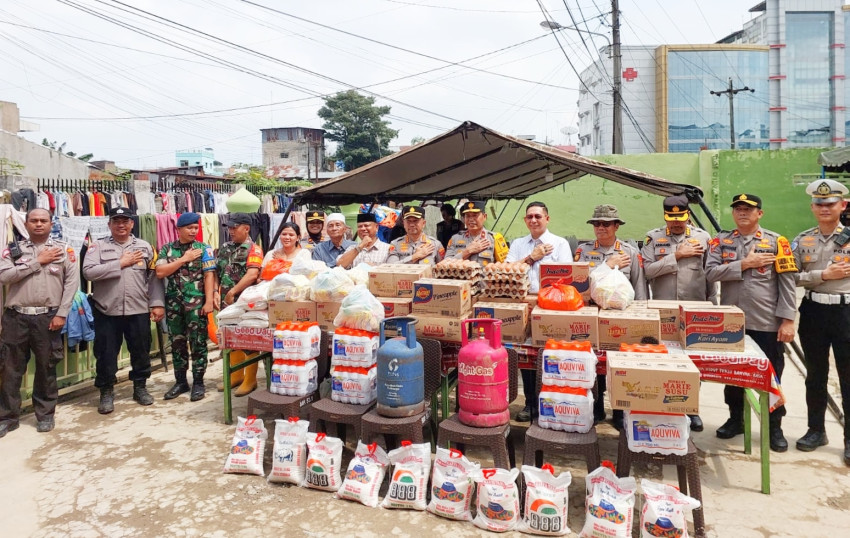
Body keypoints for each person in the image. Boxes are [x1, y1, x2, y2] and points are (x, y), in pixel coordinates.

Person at [706, 194, 796, 452]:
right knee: (732, 374)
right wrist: (744, 264)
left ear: (760, 213)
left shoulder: (777, 242)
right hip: (733, 322)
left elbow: (788, 283)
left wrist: (788, 320)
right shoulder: (721, 241)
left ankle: (774, 426)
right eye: (738, 209)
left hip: (766, 322)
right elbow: (710, 273)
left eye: (748, 209)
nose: (742, 213)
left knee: (772, 375)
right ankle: (736, 419)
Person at [0, 208, 79, 437]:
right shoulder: (13, 250)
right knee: (10, 368)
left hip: (47, 317)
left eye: (43, 220)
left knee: (46, 367)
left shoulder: (64, 250)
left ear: (51, 224)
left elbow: (71, 283)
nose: (38, 224)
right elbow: (4, 276)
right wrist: (37, 261)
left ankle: (45, 415)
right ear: (26, 223)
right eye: (33, 220)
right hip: (16, 316)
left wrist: (62, 314)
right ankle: (7, 417)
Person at [641, 194, 715, 432]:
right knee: (664, 361)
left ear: (688, 215)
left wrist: (713, 305)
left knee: (693, 363)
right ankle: (666, 407)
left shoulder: (703, 238)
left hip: (695, 308)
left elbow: (710, 275)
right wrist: (677, 255)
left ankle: (692, 409)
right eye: (671, 218)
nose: (676, 222)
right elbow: (648, 271)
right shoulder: (653, 238)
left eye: (680, 217)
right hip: (663, 311)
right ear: (665, 217)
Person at [83, 207, 165, 415]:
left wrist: (157, 303)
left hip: (138, 309)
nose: (121, 225)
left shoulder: (145, 247)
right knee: (106, 354)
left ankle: (140, 387)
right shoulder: (98, 246)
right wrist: (119, 263)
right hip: (107, 310)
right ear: (109, 224)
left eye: (125, 221)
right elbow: (88, 272)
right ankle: (106, 391)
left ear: (132, 224)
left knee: (141, 351)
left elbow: (154, 277)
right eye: (116, 221)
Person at [791, 179, 850, 465]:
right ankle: (816, 431)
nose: (824, 208)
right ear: (812, 207)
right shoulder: (803, 240)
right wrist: (823, 275)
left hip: (846, 313)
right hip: (813, 311)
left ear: (843, 205)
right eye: (819, 203)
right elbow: (790, 276)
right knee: (815, 375)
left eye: (830, 203)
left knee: (848, 377)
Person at [575, 204, 647, 431]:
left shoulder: (630, 252)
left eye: (606, 224)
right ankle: (596, 407)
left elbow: (639, 287)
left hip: (620, 319)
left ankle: (619, 410)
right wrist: (607, 266)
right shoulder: (583, 251)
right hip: (592, 316)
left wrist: (640, 317)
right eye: (596, 224)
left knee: (620, 366)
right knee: (592, 365)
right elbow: (579, 284)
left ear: (616, 226)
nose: (601, 228)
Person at [505, 201, 572, 423]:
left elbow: (568, 278)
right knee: (525, 357)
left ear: (547, 219)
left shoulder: (560, 244)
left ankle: (551, 405)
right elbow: (506, 272)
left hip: (552, 309)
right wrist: (531, 257)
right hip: (523, 307)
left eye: (538, 216)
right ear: (525, 220)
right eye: (529, 217)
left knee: (550, 357)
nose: (533, 220)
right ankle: (530, 403)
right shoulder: (518, 244)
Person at [155, 212, 216, 402]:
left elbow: (209, 275)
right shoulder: (167, 249)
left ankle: (198, 382)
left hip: (197, 304)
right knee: (177, 343)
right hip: (174, 305)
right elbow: (160, 272)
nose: (193, 231)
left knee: (198, 343)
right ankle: (181, 382)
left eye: (196, 228)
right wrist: (184, 259)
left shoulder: (204, 248)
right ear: (179, 229)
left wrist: (208, 301)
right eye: (189, 228)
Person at [215, 213, 264, 396]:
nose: (231, 231)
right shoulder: (225, 248)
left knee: (248, 339)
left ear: (246, 228)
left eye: (234, 227)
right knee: (229, 337)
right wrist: (215, 292)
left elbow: (252, 275)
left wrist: (233, 292)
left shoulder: (254, 249)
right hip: (226, 303)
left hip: (245, 303)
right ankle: (235, 375)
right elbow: (217, 272)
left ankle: (250, 380)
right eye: (229, 227)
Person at [445, 201, 508, 265]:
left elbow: (505, 266)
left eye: (475, 215)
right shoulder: (455, 239)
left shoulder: (494, 239)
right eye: (467, 216)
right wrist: (467, 252)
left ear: (484, 217)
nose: (471, 219)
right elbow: (444, 265)